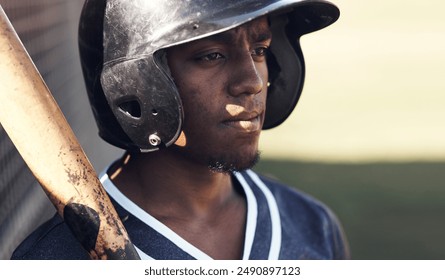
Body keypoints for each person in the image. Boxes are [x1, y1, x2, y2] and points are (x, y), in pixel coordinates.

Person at [11, 0, 350, 260]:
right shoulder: (57, 257)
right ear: (134, 83)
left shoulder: (311, 225)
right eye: (212, 55)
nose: (252, 82)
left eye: (259, 50)